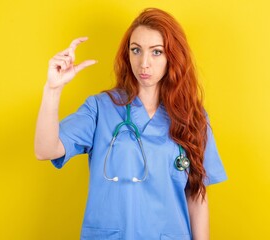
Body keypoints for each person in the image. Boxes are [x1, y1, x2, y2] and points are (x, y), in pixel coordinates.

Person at [35, 8, 227, 240]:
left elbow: (197, 196)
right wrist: (53, 89)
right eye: (136, 50)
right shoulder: (100, 109)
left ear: (172, 57)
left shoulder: (193, 118)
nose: (144, 63)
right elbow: (45, 150)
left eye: (156, 52)